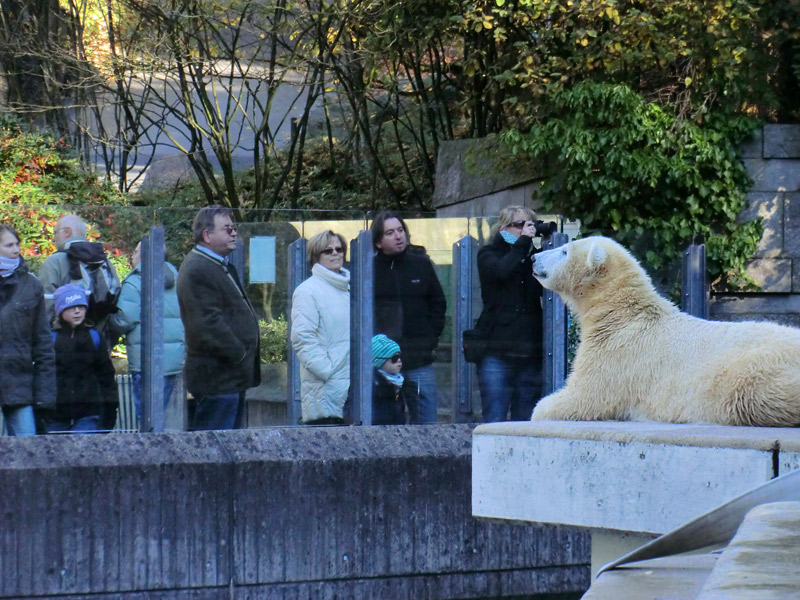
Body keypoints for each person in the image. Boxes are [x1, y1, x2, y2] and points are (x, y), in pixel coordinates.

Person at [177, 205, 260, 430]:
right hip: (217, 380)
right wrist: (240, 354)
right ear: (207, 235)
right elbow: (207, 325)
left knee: (227, 450)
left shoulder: (216, 265)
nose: (234, 233)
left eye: (233, 228)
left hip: (227, 379)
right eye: (227, 229)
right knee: (214, 452)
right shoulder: (198, 268)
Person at [371, 211, 446, 424]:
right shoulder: (370, 270)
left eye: (400, 230)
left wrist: (429, 340)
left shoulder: (421, 264)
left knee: (427, 423)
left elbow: (438, 304)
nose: (398, 236)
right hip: (382, 363)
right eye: (390, 232)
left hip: (419, 358)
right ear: (378, 242)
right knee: (385, 424)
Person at [475, 206, 546, 423]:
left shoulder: (532, 257)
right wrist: (523, 242)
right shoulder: (488, 254)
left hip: (530, 352)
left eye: (530, 225)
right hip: (497, 352)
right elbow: (502, 270)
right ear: (504, 228)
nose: (526, 230)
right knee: (494, 418)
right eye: (520, 225)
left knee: (526, 421)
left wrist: (545, 245)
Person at [111, 240, 185, 425]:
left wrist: (108, 321)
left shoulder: (136, 281)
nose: (132, 256)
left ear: (143, 256)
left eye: (135, 252)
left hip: (146, 360)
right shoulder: (176, 277)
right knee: (159, 414)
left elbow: (125, 319)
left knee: (145, 419)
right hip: (172, 360)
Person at [290, 230, 351, 425]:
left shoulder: (351, 288)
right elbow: (302, 338)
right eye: (328, 250)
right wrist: (327, 371)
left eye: (339, 249)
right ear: (316, 256)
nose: (335, 253)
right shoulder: (307, 291)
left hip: (352, 386)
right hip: (325, 388)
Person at [0, 224, 56, 436]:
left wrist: (44, 395)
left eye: (17, 244)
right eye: (9, 245)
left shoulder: (31, 285)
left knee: (30, 452)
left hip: (20, 386)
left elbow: (43, 342)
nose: (16, 250)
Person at [38, 214, 121, 344]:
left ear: (67, 232)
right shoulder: (105, 262)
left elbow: (46, 305)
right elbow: (117, 300)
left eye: (55, 233)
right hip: (98, 342)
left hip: (64, 343)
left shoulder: (54, 262)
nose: (54, 239)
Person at [47, 284, 119, 433]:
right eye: (71, 307)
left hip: (89, 412)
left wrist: (110, 410)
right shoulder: (49, 339)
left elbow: (106, 376)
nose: (77, 311)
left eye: (81, 307)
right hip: (55, 414)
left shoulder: (94, 337)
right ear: (60, 310)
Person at [370, 334, 411, 425]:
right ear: (379, 361)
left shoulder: (401, 382)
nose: (399, 360)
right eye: (394, 358)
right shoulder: (372, 385)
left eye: (400, 357)